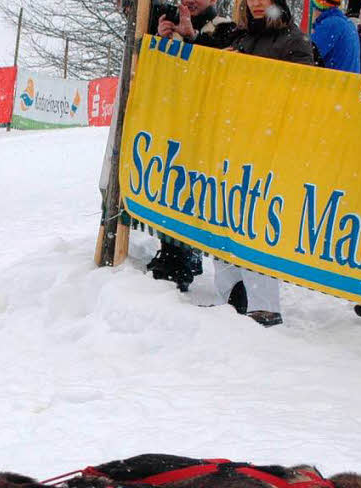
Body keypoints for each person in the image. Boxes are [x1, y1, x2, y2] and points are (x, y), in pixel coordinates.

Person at [213, 0, 314, 327]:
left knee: (257, 223)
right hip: (234, 140)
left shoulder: (294, 41)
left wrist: (251, 71)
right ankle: (230, 299)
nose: (256, 3)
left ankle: (264, 306)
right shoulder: (242, 37)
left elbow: (302, 94)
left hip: (269, 147)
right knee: (224, 217)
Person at [148, 0, 239, 291]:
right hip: (178, 121)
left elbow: (221, 71)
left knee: (202, 196)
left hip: (212, 127)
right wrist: (161, 42)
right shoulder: (166, 21)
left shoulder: (226, 29)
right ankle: (174, 251)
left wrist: (191, 40)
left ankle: (191, 256)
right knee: (173, 185)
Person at [311, 0, 361, 72]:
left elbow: (307, 54)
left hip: (334, 80)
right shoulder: (347, 24)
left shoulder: (330, 24)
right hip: (348, 80)